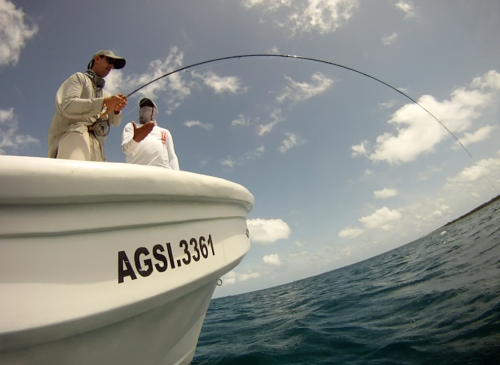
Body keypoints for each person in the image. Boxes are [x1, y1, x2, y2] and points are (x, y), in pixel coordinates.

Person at [48, 50, 128, 161]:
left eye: (113, 64)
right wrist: (104, 102)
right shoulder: (79, 78)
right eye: (109, 60)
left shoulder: (106, 95)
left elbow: (114, 122)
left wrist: (116, 109)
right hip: (74, 136)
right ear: (97, 59)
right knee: (74, 175)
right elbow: (67, 105)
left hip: (98, 147)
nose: (111, 65)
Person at [121, 98, 180, 170]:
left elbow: (172, 156)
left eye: (148, 106)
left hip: (163, 172)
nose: (145, 109)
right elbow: (126, 149)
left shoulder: (164, 132)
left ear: (154, 112)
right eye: (142, 107)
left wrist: (176, 173)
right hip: (137, 172)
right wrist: (135, 139)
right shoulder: (131, 126)